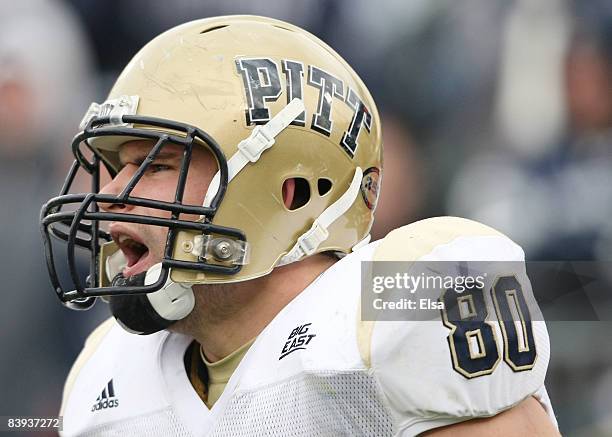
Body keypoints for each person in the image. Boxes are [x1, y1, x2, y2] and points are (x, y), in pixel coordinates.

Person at [41, 15, 559, 436]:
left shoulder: (394, 307)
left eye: (152, 166)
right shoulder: (106, 375)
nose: (108, 196)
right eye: (114, 170)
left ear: (288, 191)